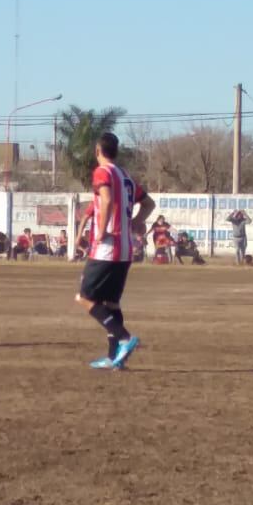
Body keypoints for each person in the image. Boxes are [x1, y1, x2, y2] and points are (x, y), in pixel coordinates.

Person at [75, 132, 154, 370]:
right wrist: (137, 220)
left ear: (98, 151)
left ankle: (124, 338)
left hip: (107, 248)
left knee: (85, 298)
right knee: (110, 304)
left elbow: (107, 199)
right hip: (126, 249)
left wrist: (101, 230)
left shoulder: (103, 172)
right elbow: (149, 203)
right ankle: (114, 358)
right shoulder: (126, 176)